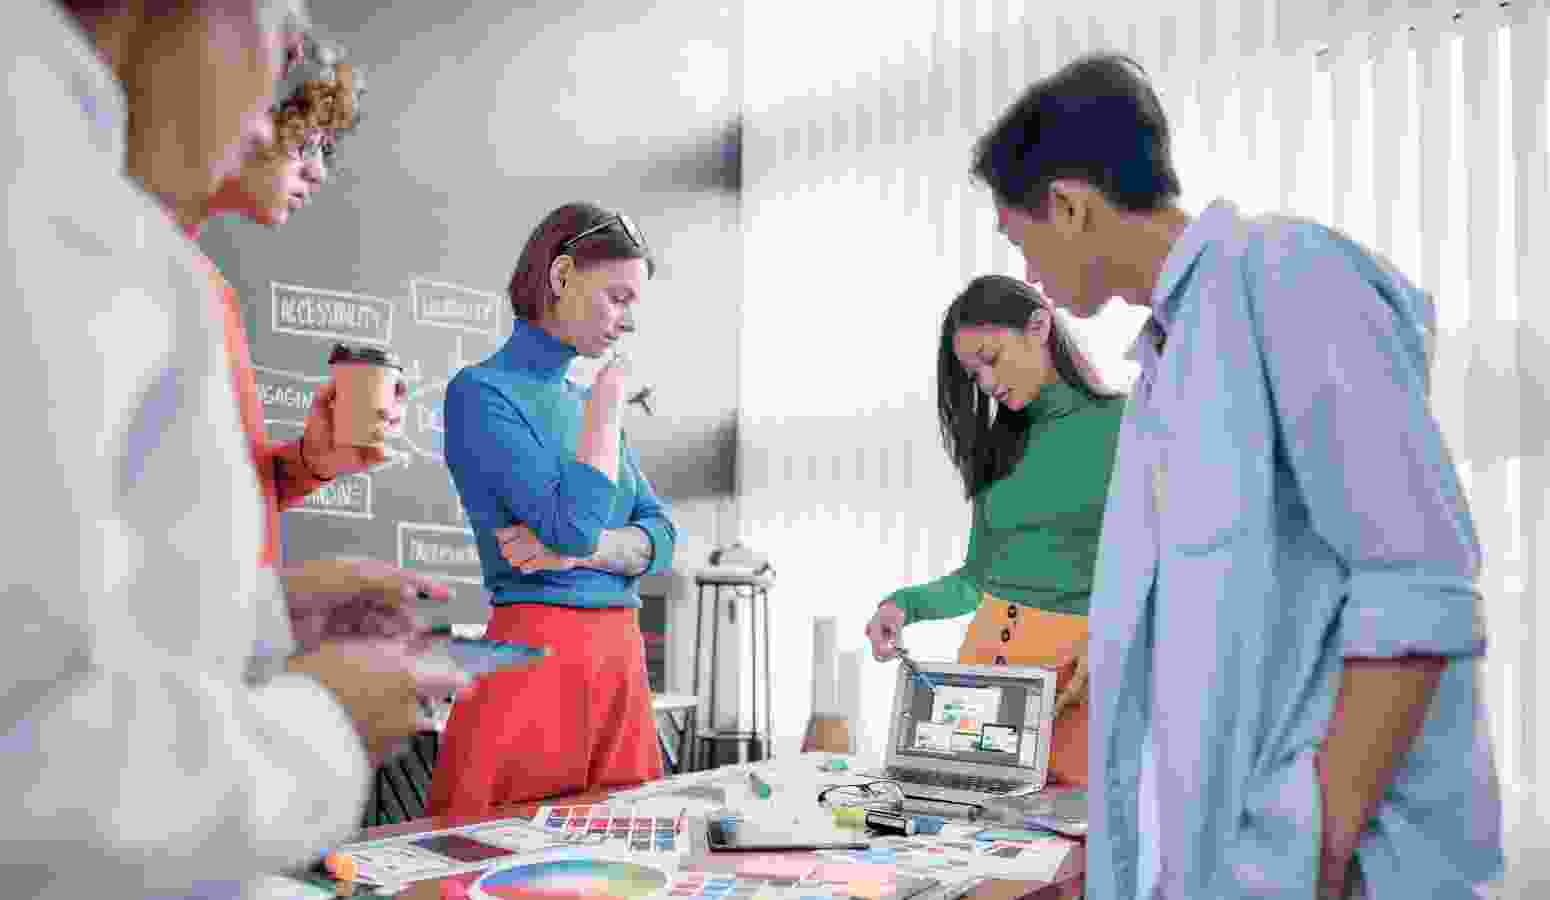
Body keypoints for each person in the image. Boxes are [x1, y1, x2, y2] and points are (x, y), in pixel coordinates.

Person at [971, 52, 1502, 898]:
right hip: (1228, 859)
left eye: (1020, 242)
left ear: (1068, 206)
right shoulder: (1167, 364)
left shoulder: (1287, 273)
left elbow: (1415, 582)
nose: (1028, 276)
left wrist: (1323, 845)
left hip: (1333, 864)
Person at [0, 3, 466, 898]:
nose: (266, 122)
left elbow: (113, 567)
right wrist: (325, 726)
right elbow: (44, 742)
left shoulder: (169, 273)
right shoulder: (78, 235)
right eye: (280, 36)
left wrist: (273, 602)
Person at [430, 202, 678, 816]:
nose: (629, 322)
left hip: (621, 664)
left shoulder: (585, 405)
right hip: (537, 666)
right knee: (509, 858)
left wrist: (582, 555)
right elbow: (572, 526)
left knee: (627, 857)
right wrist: (607, 411)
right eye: (618, 298)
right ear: (562, 276)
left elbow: (663, 535)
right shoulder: (482, 394)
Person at [864, 274, 1124, 787]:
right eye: (972, 373)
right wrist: (902, 606)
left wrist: (1111, 637)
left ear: (1039, 327)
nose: (984, 382)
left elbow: (1166, 570)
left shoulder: (1126, 425)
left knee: (1072, 829)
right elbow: (977, 581)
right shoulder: (999, 447)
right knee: (964, 827)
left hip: (1079, 684)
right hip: (984, 687)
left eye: (991, 358)